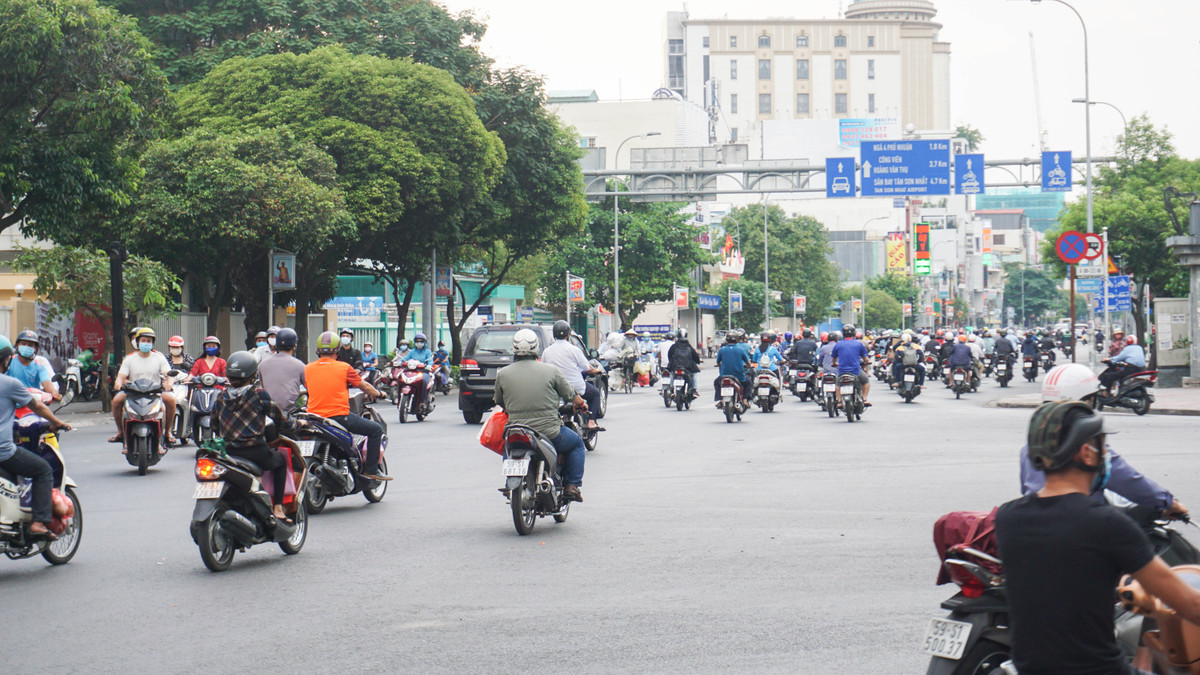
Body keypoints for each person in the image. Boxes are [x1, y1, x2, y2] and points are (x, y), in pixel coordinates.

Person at [996, 400, 1200, 675]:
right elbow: (1189, 603)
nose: (1106, 454)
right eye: (1103, 446)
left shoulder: (1008, 519)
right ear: (1087, 453)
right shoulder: (1107, 524)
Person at [1020, 363, 1186, 518]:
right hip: (1082, 525)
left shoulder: (1029, 449)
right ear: (1084, 401)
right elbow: (1128, 480)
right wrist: (1169, 502)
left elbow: (1027, 489)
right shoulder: (1087, 446)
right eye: (1092, 399)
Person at [493, 328, 588, 502]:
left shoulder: (503, 374)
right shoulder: (551, 371)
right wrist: (581, 403)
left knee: (509, 446)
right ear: (536, 347)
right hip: (549, 431)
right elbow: (570, 394)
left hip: (516, 430)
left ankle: (509, 482)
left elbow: (499, 400)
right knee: (577, 444)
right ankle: (572, 485)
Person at [0, 335, 71, 539]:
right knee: (43, 469)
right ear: (6, 359)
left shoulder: (38, 366)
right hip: (4, 451)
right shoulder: (9, 383)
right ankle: (39, 523)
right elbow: (37, 406)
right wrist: (57, 422)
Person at [211, 351, 291, 523]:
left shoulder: (221, 397)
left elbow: (214, 426)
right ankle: (278, 508)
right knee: (280, 462)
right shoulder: (259, 394)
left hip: (229, 453)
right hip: (256, 452)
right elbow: (281, 421)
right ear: (252, 375)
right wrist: (297, 424)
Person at [304, 331, 389, 481]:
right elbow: (365, 387)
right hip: (338, 417)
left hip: (313, 418)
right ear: (337, 350)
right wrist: (380, 394)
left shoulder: (308, 368)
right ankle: (371, 470)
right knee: (376, 430)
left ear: (318, 350)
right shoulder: (344, 368)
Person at [111, 328, 178, 447]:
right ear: (138, 342)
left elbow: (169, 374)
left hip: (154, 392)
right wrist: (118, 384)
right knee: (116, 401)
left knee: (169, 402)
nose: (146, 343)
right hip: (133, 392)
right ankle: (121, 433)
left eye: (148, 341)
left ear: (152, 343)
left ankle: (166, 433)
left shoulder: (159, 358)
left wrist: (169, 384)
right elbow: (121, 376)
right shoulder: (129, 359)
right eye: (143, 340)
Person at [542, 320, 604, 431]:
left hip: (555, 389)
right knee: (595, 394)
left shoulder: (546, 352)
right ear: (568, 334)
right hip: (575, 388)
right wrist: (595, 371)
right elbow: (586, 367)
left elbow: (544, 369)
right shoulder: (574, 349)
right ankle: (591, 422)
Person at [257, 327, 306, 412]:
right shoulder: (300, 365)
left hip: (268, 411)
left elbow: (264, 387)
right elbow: (309, 388)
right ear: (295, 345)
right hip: (289, 411)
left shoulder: (262, 365)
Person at [7, 329, 60, 401]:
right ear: (17, 346)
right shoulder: (9, 362)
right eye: (24, 344)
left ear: (35, 348)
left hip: (33, 403)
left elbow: (46, 382)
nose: (26, 347)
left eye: (30, 345)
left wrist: (54, 393)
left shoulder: (39, 366)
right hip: (12, 403)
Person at [830, 324, 870, 405]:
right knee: (866, 382)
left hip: (842, 371)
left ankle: (839, 401)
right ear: (854, 333)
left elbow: (833, 358)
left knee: (838, 384)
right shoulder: (859, 344)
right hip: (856, 371)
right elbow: (866, 358)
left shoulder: (838, 344)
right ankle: (864, 399)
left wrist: (834, 364)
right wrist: (868, 362)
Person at [713, 332, 752, 403]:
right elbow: (748, 362)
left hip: (724, 375)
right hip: (739, 376)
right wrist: (749, 366)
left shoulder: (722, 350)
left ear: (726, 340)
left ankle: (720, 399)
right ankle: (745, 399)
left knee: (716, 382)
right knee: (748, 383)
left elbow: (718, 362)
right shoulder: (740, 350)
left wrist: (719, 364)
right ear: (736, 340)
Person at [667, 328, 702, 398]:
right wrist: (698, 361)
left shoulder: (674, 346)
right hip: (688, 367)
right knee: (694, 374)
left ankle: (671, 389)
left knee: (672, 374)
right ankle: (694, 390)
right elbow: (695, 356)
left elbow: (669, 355)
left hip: (676, 366)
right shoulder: (689, 346)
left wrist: (671, 362)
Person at [406, 333, 435, 406]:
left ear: (424, 342)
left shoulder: (427, 352)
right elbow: (405, 359)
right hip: (412, 372)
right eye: (417, 341)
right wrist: (398, 363)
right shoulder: (411, 352)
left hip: (423, 372)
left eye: (421, 341)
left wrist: (429, 366)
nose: (419, 343)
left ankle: (422, 400)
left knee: (424, 381)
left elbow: (430, 361)